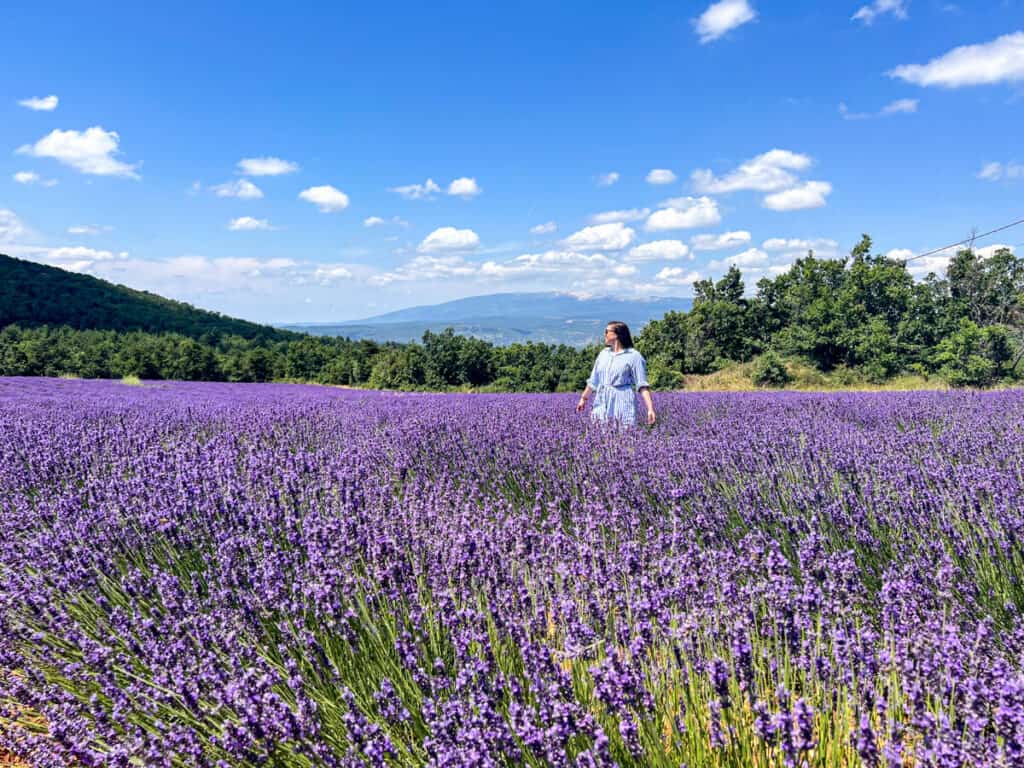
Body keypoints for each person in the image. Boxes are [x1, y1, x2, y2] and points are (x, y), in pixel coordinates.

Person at [576, 321, 655, 426]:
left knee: (624, 433)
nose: (605, 334)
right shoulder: (603, 354)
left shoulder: (634, 356)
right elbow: (593, 381)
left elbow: (642, 385)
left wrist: (650, 409)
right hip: (602, 400)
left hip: (623, 400)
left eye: (607, 331)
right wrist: (583, 399)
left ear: (617, 334)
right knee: (599, 432)